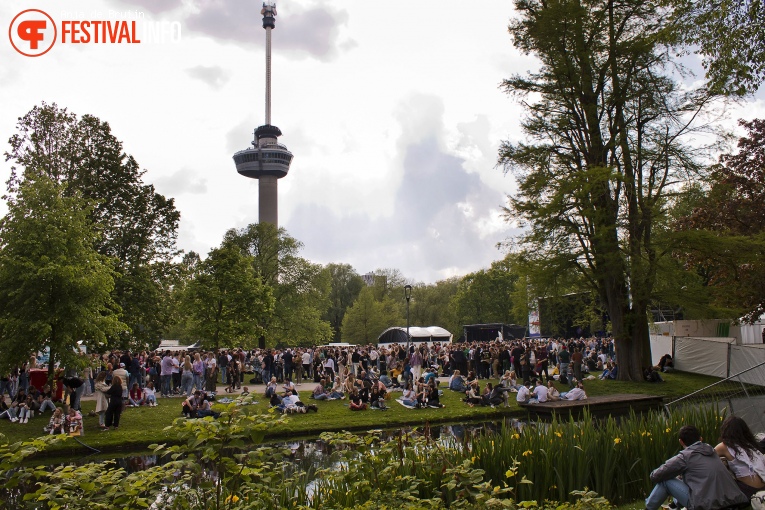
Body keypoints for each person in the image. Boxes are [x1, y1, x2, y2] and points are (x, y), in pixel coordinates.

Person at [646, 424, 748, 510]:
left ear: (681, 441)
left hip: (706, 505)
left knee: (665, 481)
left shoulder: (685, 457)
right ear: (700, 439)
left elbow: (655, 476)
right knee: (685, 479)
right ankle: (674, 506)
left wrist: (674, 475)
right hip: (733, 500)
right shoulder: (711, 451)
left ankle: (648, 508)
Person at [714, 415, 765, 498]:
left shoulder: (724, 446)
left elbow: (707, 458)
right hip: (763, 486)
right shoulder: (751, 445)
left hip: (748, 489)